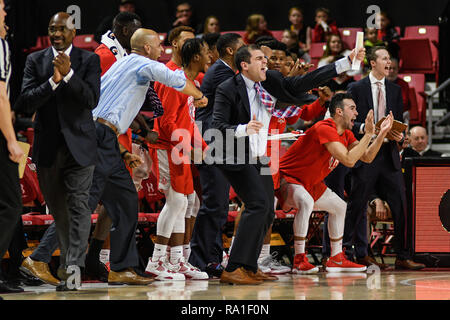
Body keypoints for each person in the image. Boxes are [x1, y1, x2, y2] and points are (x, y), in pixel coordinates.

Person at [212, 44, 365, 285]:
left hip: (260, 156)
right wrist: (243, 128)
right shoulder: (227, 88)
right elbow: (217, 126)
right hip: (234, 154)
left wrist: (344, 63)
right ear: (244, 65)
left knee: (267, 210)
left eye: (266, 58)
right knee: (257, 204)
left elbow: (302, 83)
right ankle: (233, 267)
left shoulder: (269, 80)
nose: (267, 62)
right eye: (260, 59)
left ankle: (249, 266)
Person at [18, 11, 148, 285]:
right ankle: (39, 259)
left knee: (125, 203)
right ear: (125, 32)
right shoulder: (103, 57)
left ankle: (121, 266)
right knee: (80, 207)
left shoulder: (115, 58)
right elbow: (92, 107)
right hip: (91, 142)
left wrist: (123, 148)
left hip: (111, 143)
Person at [89, 28, 207, 286]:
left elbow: (113, 107)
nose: (161, 50)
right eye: (158, 45)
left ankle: (158, 261)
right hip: (162, 145)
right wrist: (199, 96)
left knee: (132, 202)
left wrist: (133, 138)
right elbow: (166, 117)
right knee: (86, 204)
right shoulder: (161, 71)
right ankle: (153, 260)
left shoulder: (127, 66)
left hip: (108, 135)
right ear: (146, 48)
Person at [14, 12, 102, 291]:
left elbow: (91, 100)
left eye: (62, 28)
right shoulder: (35, 60)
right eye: (52, 28)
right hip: (48, 149)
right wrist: (52, 82)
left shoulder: (89, 60)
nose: (56, 33)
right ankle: (66, 266)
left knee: (78, 208)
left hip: (81, 148)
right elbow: (25, 103)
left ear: (73, 31)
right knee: (61, 214)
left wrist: (70, 75)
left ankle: (72, 272)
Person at [279, 93, 394, 273]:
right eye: (352, 109)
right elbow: (348, 160)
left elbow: (367, 156)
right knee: (306, 202)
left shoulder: (346, 134)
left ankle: (336, 258)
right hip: (287, 178)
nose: (357, 114)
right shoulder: (323, 127)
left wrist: (382, 134)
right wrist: (369, 134)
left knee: (340, 206)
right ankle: (299, 260)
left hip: (311, 183)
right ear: (339, 111)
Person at [344, 46, 425, 270]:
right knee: (357, 203)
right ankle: (350, 252)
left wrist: (401, 136)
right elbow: (350, 122)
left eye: (389, 58)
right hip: (366, 150)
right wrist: (366, 128)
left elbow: (397, 120)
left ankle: (402, 255)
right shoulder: (355, 88)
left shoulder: (396, 90)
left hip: (389, 153)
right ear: (372, 63)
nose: (389, 62)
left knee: (400, 202)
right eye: (384, 58)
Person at [145, 38, 210, 281]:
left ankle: (177, 261)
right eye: (205, 52)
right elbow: (166, 123)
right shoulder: (174, 80)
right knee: (175, 202)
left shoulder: (188, 82)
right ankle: (157, 261)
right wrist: (188, 146)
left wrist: (203, 147)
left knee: (185, 203)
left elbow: (187, 122)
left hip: (178, 148)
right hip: (166, 147)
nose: (209, 57)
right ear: (195, 57)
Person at [189, 33, 245, 278]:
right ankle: (198, 259)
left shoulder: (224, 72)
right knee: (214, 204)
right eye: (243, 48)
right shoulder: (221, 73)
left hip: (220, 143)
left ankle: (210, 258)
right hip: (210, 143)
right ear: (232, 51)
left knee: (218, 205)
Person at [0, 0, 25, 294]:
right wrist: (10, 139)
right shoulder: (1, 46)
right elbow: (2, 98)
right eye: (3, 7)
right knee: (10, 205)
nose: (5, 12)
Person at [387, 57, 411, 122]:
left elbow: (405, 102)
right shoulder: (379, 83)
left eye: (394, 68)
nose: (392, 71)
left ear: (398, 70)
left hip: (398, 115)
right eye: (389, 68)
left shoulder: (403, 84)